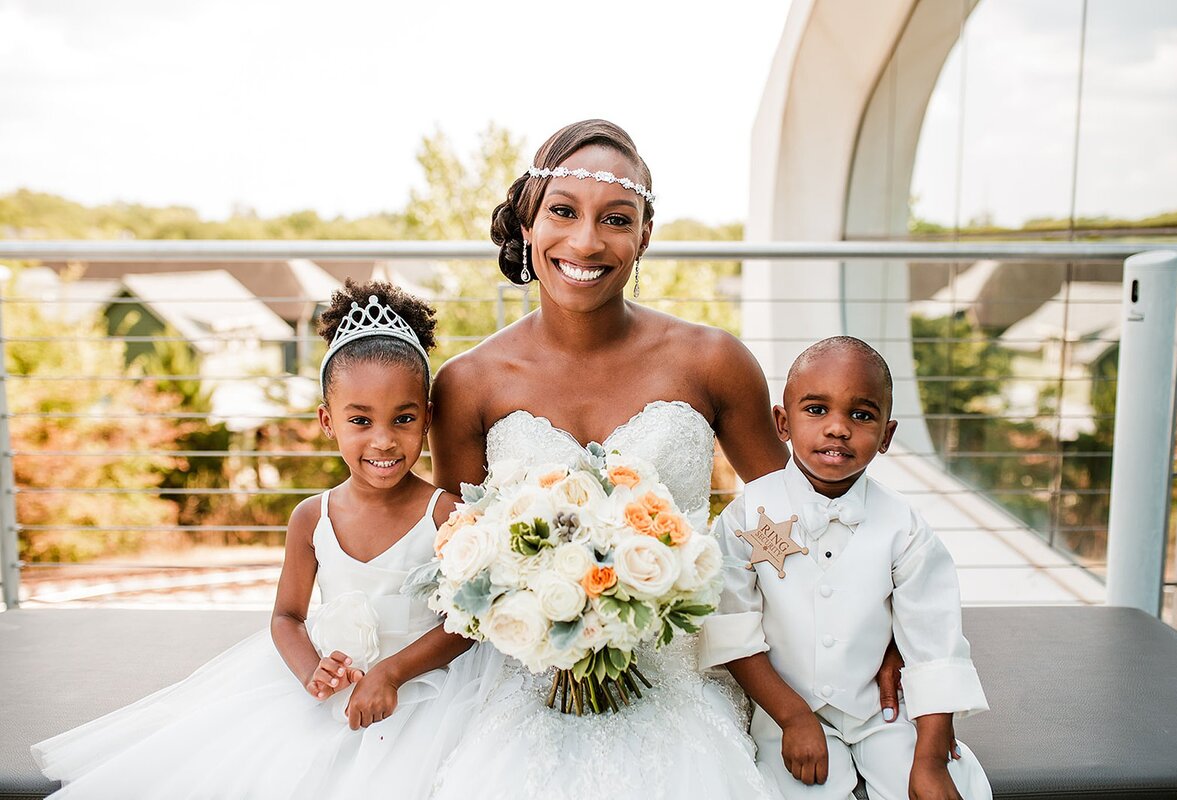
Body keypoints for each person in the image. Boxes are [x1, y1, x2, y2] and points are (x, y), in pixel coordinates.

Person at [426, 120, 900, 799]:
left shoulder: (713, 361)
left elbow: (789, 526)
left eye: (615, 219)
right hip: (525, 680)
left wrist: (872, 636)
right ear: (529, 221)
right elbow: (455, 558)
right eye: (563, 211)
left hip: (686, 669)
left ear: (644, 236)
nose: (586, 241)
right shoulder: (468, 383)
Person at [31, 281, 491, 800]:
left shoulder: (447, 515)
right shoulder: (310, 518)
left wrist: (393, 671)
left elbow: (467, 623)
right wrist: (310, 671)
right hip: (334, 689)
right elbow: (286, 617)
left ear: (427, 418)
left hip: (423, 691)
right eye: (359, 421)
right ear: (327, 422)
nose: (383, 439)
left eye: (403, 419)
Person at [698, 337, 992, 800]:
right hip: (785, 710)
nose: (837, 428)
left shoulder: (906, 528)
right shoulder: (745, 516)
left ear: (887, 435)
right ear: (782, 422)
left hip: (882, 711)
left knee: (941, 787)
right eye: (816, 409)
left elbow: (935, 642)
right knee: (794, 790)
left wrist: (930, 759)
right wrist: (794, 717)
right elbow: (731, 631)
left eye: (861, 415)